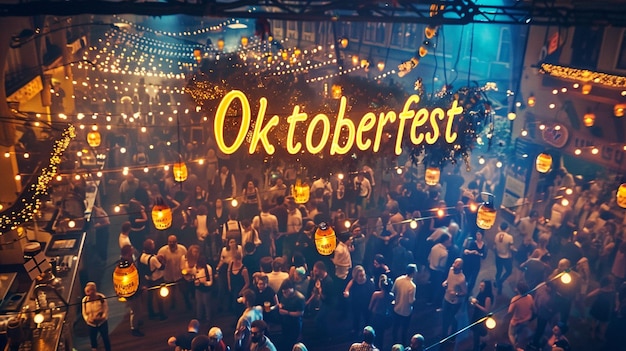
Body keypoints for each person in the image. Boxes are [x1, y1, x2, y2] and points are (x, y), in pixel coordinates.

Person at [139, 239, 166, 320]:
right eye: (153, 244)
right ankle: (162, 315)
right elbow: (161, 267)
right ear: (150, 247)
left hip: (148, 279)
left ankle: (151, 313)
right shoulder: (153, 259)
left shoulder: (142, 256)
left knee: (150, 298)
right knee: (159, 297)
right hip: (157, 279)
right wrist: (163, 260)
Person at [158, 235, 187, 310]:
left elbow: (186, 260)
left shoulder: (182, 249)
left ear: (176, 242)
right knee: (171, 293)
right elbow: (159, 263)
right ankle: (172, 305)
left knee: (184, 291)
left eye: (173, 242)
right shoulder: (162, 251)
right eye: (169, 242)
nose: (171, 244)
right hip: (168, 275)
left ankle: (188, 304)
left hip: (179, 275)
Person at [344, 265, 375, 334]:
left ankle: (367, 332)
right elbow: (347, 289)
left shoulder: (368, 281)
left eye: (363, 275)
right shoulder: (353, 282)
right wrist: (347, 293)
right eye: (360, 276)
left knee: (367, 319)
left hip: (366, 304)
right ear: (356, 276)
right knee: (356, 318)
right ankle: (356, 330)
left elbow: (373, 293)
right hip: (356, 304)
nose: (363, 277)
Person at [441, 258, 467, 338]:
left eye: (457, 264)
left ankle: (451, 334)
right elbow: (448, 280)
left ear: (460, 267)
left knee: (451, 318)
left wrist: (456, 294)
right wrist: (445, 283)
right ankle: (444, 333)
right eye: (454, 262)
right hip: (446, 297)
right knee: (444, 315)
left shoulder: (461, 278)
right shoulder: (451, 270)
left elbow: (465, 292)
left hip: (455, 302)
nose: (454, 265)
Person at [392, 264, 417, 345]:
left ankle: (394, 343)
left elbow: (393, 292)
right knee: (404, 329)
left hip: (396, 308)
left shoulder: (398, 279)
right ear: (413, 273)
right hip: (406, 311)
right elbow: (411, 301)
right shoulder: (412, 286)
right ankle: (403, 344)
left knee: (395, 328)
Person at [82, 282, 111, 351]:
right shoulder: (85, 300)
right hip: (91, 324)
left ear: (94, 290)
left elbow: (105, 308)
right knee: (93, 339)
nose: (88, 294)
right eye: (87, 292)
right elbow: (84, 311)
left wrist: (103, 317)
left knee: (105, 338)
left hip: (102, 322)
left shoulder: (101, 297)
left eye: (89, 291)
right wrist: (87, 319)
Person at [278, 279, 306, 349]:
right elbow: (280, 300)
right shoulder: (283, 293)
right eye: (283, 291)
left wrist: (287, 313)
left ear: (292, 288)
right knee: (285, 339)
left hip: (294, 323)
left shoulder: (299, 298)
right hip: (285, 321)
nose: (284, 293)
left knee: (292, 342)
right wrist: (280, 305)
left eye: (286, 291)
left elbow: (300, 313)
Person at [369, 274, 394, 350]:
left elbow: (370, 307)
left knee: (374, 333)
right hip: (384, 317)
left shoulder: (376, 294)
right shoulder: (391, 295)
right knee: (381, 334)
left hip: (375, 316)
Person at [507, 280, 534, 349]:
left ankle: (515, 346)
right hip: (526, 319)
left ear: (518, 290)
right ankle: (519, 341)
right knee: (521, 332)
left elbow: (510, 311)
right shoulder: (530, 297)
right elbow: (532, 307)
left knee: (511, 334)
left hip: (516, 321)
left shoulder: (515, 299)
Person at [470, 280, 493, 351]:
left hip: (481, 318)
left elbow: (487, 310)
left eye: (482, 286)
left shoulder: (488, 297)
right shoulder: (481, 292)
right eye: (480, 285)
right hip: (477, 315)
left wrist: (476, 304)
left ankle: (476, 348)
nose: (480, 287)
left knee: (477, 333)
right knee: (476, 333)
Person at [494, 222, 516, 295]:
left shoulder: (497, 235)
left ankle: (496, 282)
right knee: (509, 271)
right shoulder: (509, 237)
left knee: (499, 271)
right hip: (506, 257)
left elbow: (495, 245)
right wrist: (515, 250)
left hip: (498, 256)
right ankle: (500, 282)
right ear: (507, 228)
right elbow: (511, 247)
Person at [195, 256, 214, 323]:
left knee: (206, 303)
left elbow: (210, 282)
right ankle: (199, 317)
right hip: (198, 288)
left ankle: (208, 318)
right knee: (199, 303)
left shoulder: (208, 268)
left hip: (206, 289)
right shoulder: (196, 267)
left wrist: (204, 282)